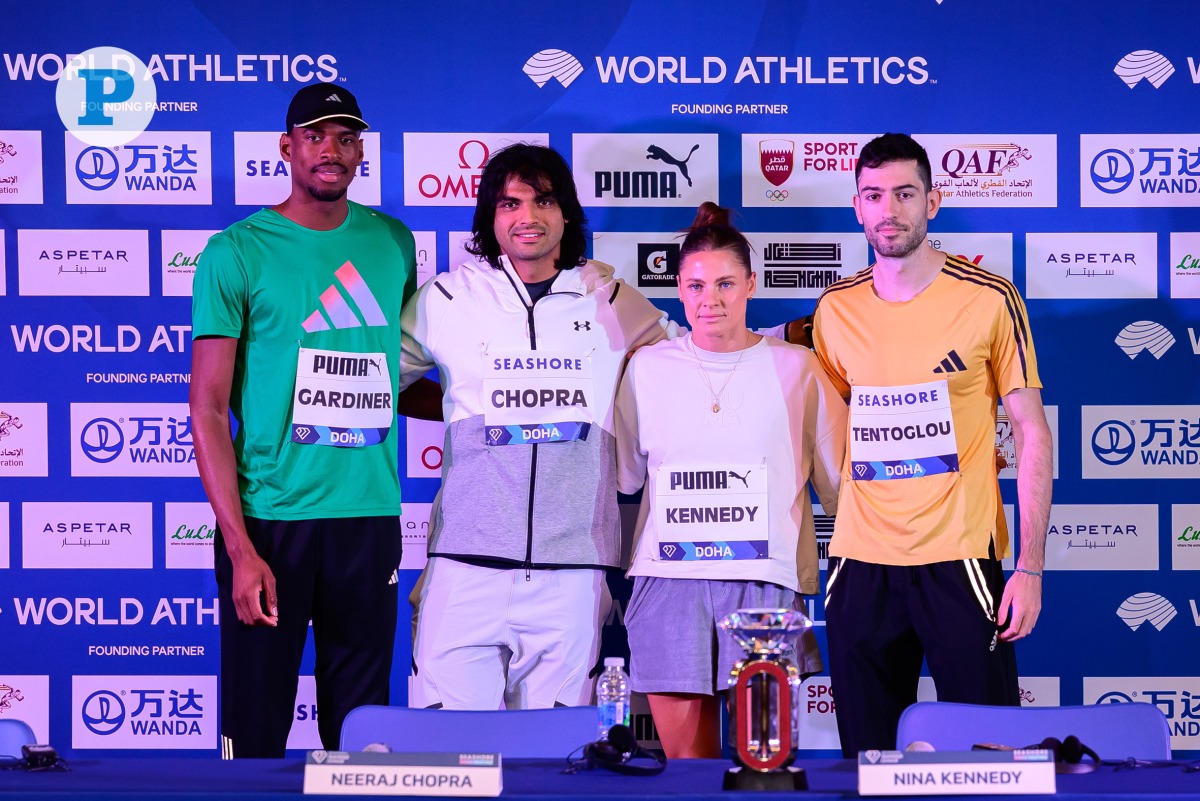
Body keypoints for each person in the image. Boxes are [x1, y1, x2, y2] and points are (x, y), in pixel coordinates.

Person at [398, 143, 682, 711]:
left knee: (554, 761)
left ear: (567, 212)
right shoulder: (449, 298)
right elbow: (374, 385)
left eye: (543, 200)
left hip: (572, 570)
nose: (527, 217)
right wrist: (458, 406)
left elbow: (693, 367)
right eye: (510, 203)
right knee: (453, 755)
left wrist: (789, 335)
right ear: (490, 216)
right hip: (465, 563)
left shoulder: (614, 300)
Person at [190, 83, 425, 757]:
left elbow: (396, 380)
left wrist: (489, 406)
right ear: (287, 147)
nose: (333, 150)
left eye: (347, 137)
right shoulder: (236, 250)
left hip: (367, 518)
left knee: (362, 737)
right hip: (271, 522)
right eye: (317, 135)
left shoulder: (392, 242)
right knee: (254, 730)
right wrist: (238, 547)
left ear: (362, 152)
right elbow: (206, 407)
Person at [812, 133, 1053, 756]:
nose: (888, 209)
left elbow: (1031, 431)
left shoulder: (990, 299)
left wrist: (1029, 566)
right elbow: (834, 425)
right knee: (865, 761)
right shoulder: (835, 310)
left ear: (933, 202)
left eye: (904, 193)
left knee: (987, 759)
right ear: (857, 208)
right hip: (860, 565)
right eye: (873, 195)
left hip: (961, 559)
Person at [612, 202, 845, 758]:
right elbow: (624, 478)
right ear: (678, 287)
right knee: (688, 775)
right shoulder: (647, 368)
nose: (708, 299)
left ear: (750, 285)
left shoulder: (798, 367)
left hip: (763, 580)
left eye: (724, 283)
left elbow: (842, 481)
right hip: (668, 580)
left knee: (762, 767)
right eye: (694, 285)